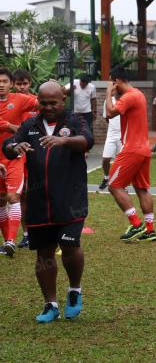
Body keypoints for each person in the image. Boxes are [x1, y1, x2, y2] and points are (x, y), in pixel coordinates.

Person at [3, 81, 93, 323]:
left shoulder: (74, 121)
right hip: (39, 201)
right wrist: (14, 146)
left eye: (53, 103)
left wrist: (64, 141)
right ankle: (50, 304)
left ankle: (75, 290)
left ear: (63, 100)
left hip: (70, 198)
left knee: (69, 244)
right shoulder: (30, 124)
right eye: (43, 103)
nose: (48, 107)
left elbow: (87, 141)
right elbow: (8, 145)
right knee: (43, 254)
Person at [104, 67, 156, 243]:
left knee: (114, 185)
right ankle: (150, 230)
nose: (112, 85)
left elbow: (110, 113)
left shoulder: (129, 96)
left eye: (112, 82)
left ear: (117, 81)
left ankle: (135, 224)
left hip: (132, 149)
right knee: (142, 188)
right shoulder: (138, 94)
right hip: (144, 149)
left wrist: (108, 93)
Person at [0, 68, 37, 257]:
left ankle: (11, 240)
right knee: (1, 201)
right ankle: (8, 240)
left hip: (14, 155)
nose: (1, 84)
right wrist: (9, 126)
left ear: (10, 84)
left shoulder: (20, 99)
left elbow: (43, 104)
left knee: (14, 196)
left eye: (4, 81)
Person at [12, 69, 37, 249]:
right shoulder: (10, 101)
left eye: (25, 83)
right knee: (23, 195)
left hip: (38, 153)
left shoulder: (38, 102)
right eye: (19, 84)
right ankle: (27, 235)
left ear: (30, 84)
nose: (22, 87)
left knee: (42, 193)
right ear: (14, 84)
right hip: (18, 154)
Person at [98, 93, 122, 190]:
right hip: (111, 135)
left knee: (120, 161)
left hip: (122, 135)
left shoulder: (125, 100)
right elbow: (106, 118)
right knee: (105, 159)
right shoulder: (108, 101)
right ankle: (106, 177)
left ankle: (120, 182)